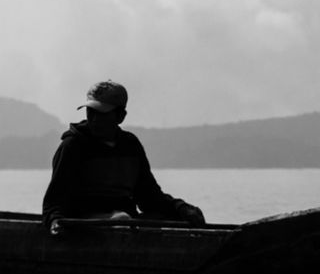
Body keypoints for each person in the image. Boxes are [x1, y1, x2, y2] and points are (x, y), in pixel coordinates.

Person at [42, 80, 205, 235]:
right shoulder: (73, 146)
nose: (94, 119)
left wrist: (181, 208)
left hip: (125, 220)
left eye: (102, 114)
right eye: (91, 112)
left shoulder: (130, 145)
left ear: (120, 116)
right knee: (123, 219)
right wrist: (56, 222)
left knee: (163, 218)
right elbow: (54, 202)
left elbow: (149, 197)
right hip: (84, 223)